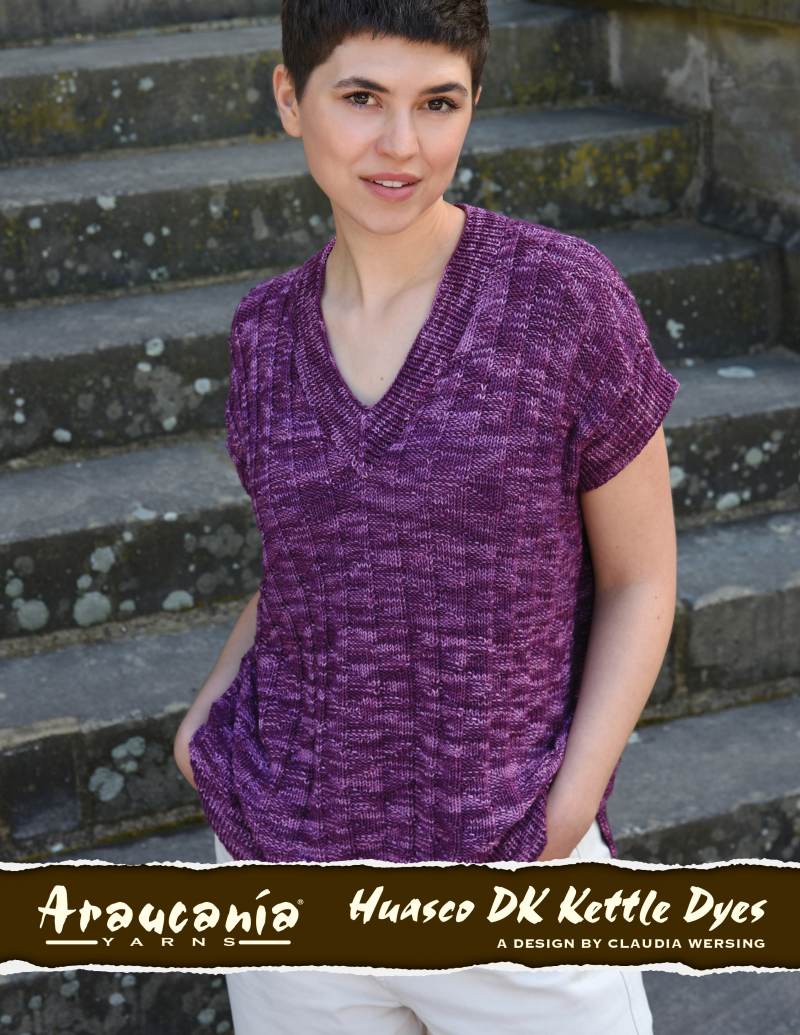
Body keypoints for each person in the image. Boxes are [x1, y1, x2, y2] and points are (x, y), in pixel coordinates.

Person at [173, 1, 680, 1031]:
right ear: (290, 99)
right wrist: (205, 721)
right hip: (289, 891)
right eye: (362, 97)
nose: (400, 144)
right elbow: (306, 563)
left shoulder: (560, 299)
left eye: (438, 103)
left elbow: (639, 578)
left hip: (509, 889)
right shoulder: (263, 332)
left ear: (472, 106)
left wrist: (561, 817)